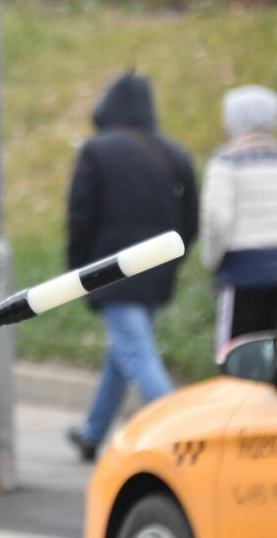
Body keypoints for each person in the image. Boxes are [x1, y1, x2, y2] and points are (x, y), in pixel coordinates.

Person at [65, 71, 198, 462]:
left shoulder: (96, 151)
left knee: (136, 354)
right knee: (124, 351)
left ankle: (185, 435)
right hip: (158, 271)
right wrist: (173, 259)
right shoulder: (174, 153)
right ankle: (93, 433)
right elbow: (191, 220)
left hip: (112, 271)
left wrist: (79, 274)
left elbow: (80, 218)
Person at [201, 85, 277, 358]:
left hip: (240, 271)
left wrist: (212, 259)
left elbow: (217, 220)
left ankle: (234, 399)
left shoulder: (225, 163)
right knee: (266, 350)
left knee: (233, 352)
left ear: (234, 121)